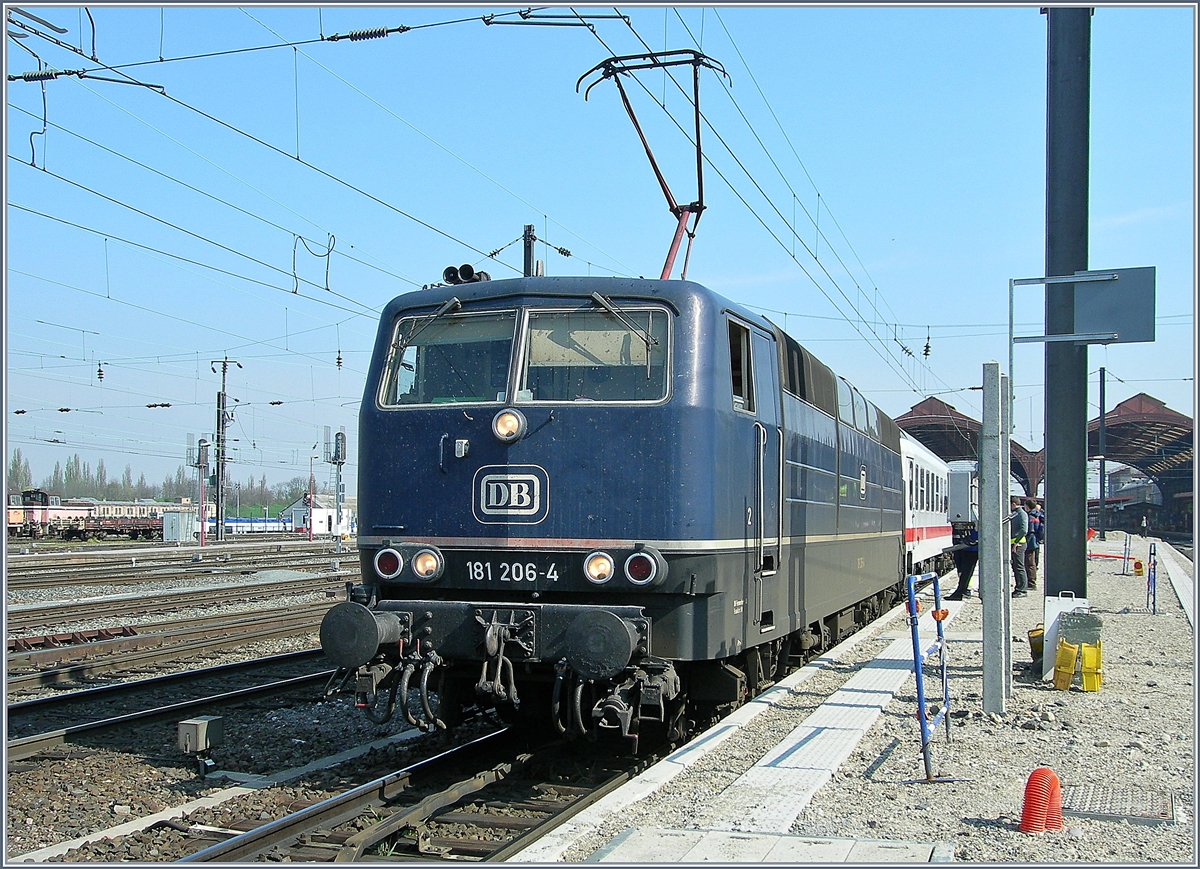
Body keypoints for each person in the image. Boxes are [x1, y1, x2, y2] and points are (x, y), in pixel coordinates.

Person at [946, 524, 979, 601]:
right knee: (963, 570)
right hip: (966, 545)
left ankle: (961, 591)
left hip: (971, 546)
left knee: (967, 570)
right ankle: (961, 591)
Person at [1010, 496, 1029, 597]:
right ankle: (1019, 588)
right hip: (1014, 543)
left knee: (1019, 567)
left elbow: (1024, 530)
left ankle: (1022, 590)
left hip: (1018, 544)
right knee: (1016, 567)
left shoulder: (1021, 514)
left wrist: (1016, 542)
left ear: (1013, 504)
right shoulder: (1016, 514)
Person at [1024, 499, 1042, 590]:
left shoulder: (1029, 517)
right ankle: (1031, 581)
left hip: (1029, 541)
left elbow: (1027, 530)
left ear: (1027, 506)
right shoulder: (1038, 516)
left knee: (1029, 562)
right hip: (1035, 541)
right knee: (1032, 562)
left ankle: (1031, 583)